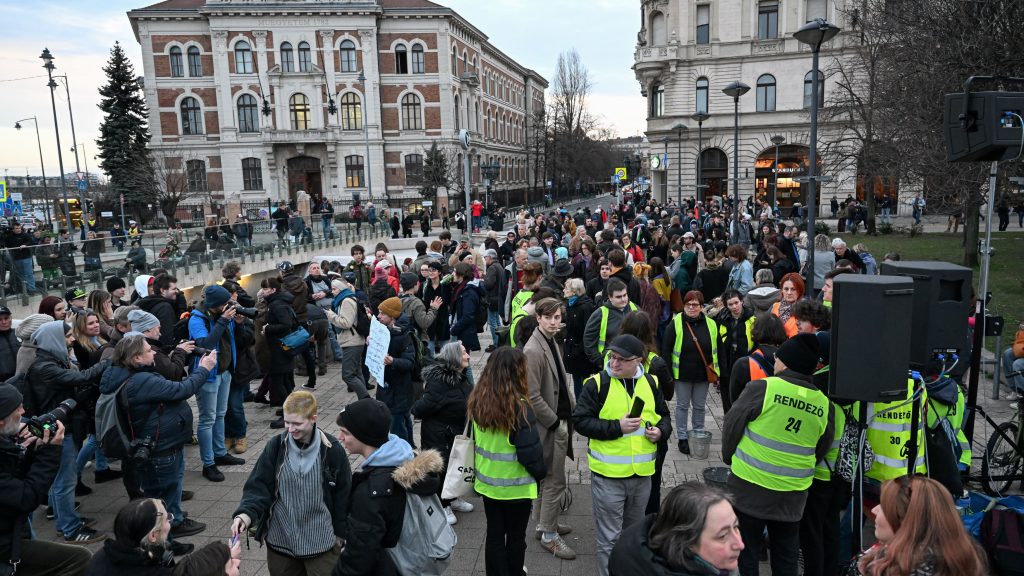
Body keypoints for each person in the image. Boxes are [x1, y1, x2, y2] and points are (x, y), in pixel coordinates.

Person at [723, 333, 834, 576]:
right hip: (792, 496)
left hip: (748, 488)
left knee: (746, 553)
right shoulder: (825, 404)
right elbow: (822, 447)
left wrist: (729, 458)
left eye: (778, 358)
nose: (775, 362)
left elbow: (732, 426)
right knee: (786, 555)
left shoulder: (763, 388)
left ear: (787, 363)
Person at [99, 335, 216, 549]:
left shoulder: (127, 373)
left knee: (163, 496)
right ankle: (163, 544)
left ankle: (171, 528)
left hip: (160, 445)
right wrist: (204, 368)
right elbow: (183, 389)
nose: (154, 352)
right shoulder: (141, 380)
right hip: (160, 449)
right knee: (160, 500)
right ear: (136, 358)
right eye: (148, 350)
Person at [573, 334, 672, 576]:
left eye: (621, 360)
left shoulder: (651, 383)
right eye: (612, 357)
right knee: (609, 540)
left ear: (638, 361)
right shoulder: (596, 384)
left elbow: (665, 417)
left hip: (642, 477)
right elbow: (580, 422)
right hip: (608, 477)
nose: (614, 363)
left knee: (633, 537)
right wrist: (616, 427)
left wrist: (660, 432)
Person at [232, 391, 351, 575]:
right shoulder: (275, 446)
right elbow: (258, 486)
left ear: (313, 419)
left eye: (297, 423)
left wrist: (341, 534)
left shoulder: (333, 451)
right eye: (287, 422)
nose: (290, 428)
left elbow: (343, 496)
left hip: (321, 543)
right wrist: (245, 515)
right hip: (281, 542)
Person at [333, 398, 444, 576]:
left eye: (345, 432)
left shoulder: (372, 491)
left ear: (364, 435)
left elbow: (360, 554)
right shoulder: (406, 458)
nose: (340, 437)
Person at [25, 320, 110, 543]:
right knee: (65, 481)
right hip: (59, 430)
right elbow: (82, 377)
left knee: (60, 481)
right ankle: (70, 529)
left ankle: (66, 519)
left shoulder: (52, 361)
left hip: (61, 427)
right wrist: (109, 360)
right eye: (69, 335)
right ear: (55, 339)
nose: (72, 339)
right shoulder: (45, 367)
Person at [469, 347, 547, 576]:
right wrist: (541, 473)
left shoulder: (477, 400)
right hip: (517, 487)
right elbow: (530, 454)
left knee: (494, 534)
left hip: (488, 484)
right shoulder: (520, 407)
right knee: (516, 538)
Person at [0, 386, 93, 576]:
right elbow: (26, 498)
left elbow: (12, 482)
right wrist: (50, 451)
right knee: (80, 558)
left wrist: (28, 451)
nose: (23, 412)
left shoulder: (5, 442)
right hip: (5, 543)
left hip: (13, 530)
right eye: (17, 408)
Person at [521, 298, 576, 559]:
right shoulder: (533, 349)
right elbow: (531, 395)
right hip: (549, 425)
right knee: (555, 480)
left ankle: (545, 524)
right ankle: (549, 535)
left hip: (558, 420)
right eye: (550, 317)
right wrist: (555, 423)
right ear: (539, 318)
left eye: (558, 317)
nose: (555, 322)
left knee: (549, 479)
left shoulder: (550, 340)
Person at [849, 476, 986, 576]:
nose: (874, 510)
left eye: (884, 507)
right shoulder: (963, 558)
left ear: (906, 520)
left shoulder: (888, 568)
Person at [608, 482, 744, 576]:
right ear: (685, 542)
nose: (740, 544)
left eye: (736, 527)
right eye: (723, 536)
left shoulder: (720, 565)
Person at [615, 311, 674, 515]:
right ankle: (649, 526)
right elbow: (669, 393)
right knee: (652, 485)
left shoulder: (613, 358)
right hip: (650, 433)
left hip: (622, 430)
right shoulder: (655, 362)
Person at [86, 498, 237, 576]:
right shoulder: (154, 572)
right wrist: (225, 556)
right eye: (167, 519)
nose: (170, 522)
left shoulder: (100, 556)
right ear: (153, 535)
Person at [410, 342, 474, 524]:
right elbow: (419, 409)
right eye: (463, 353)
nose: (468, 356)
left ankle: (452, 498)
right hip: (439, 435)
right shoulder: (440, 382)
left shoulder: (461, 377)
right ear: (454, 357)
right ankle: (442, 504)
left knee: (454, 466)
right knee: (442, 469)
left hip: (454, 432)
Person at [189, 284, 244, 482]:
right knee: (207, 419)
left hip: (225, 371)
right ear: (213, 305)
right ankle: (208, 463)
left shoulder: (225, 313)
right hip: (208, 375)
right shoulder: (197, 319)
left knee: (220, 415)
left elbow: (232, 341)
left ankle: (220, 453)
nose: (226, 306)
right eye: (223, 303)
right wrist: (223, 321)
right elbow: (205, 345)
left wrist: (238, 323)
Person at [661, 290, 722, 454]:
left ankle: (698, 433)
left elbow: (719, 349)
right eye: (688, 304)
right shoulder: (676, 323)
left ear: (702, 306)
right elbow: (666, 350)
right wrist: (667, 375)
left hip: (703, 374)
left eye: (696, 305)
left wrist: (719, 373)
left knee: (700, 407)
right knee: (682, 406)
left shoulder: (711, 324)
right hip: (682, 374)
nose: (692, 308)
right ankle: (682, 437)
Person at [375, 297, 417, 445]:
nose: (378, 316)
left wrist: (393, 361)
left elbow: (409, 362)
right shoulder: (382, 331)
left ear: (392, 317)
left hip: (399, 390)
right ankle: (410, 447)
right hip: (388, 388)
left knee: (398, 426)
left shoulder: (403, 335)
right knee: (402, 421)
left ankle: (404, 453)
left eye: (382, 313)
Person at [715, 289, 755, 414]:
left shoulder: (751, 318)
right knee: (727, 397)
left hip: (745, 362)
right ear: (726, 306)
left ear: (742, 301)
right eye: (730, 304)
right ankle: (729, 421)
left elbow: (756, 342)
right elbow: (716, 344)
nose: (734, 307)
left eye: (736, 303)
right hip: (726, 363)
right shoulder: (721, 319)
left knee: (743, 396)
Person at [583, 278, 638, 368]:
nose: (623, 299)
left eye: (625, 295)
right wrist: (599, 361)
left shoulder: (635, 309)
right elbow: (589, 340)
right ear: (610, 297)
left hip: (633, 363)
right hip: (610, 364)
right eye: (619, 297)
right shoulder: (600, 314)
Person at [770, 272, 804, 338]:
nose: (789, 293)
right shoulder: (775, 306)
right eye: (786, 289)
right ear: (782, 290)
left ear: (799, 290)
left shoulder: (804, 310)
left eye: (793, 289)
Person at [0, 306, 19, 382]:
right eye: (0, 319)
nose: (4, 322)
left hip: (26, 379)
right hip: (5, 383)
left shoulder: (20, 333)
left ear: (11, 318)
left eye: (6, 318)